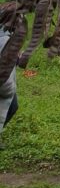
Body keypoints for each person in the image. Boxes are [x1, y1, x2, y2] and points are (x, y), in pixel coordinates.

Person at [0, 21, 18, 149]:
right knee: (12, 105)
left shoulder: (8, 37)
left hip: (5, 80)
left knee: (13, 106)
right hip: (4, 82)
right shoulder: (5, 39)